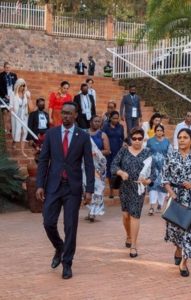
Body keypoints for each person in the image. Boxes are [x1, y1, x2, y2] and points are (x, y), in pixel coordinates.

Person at [36, 102, 95, 280]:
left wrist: (89, 190)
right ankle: (59, 247)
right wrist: (39, 184)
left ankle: (67, 263)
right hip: (53, 186)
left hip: (72, 188)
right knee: (48, 222)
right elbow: (44, 160)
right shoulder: (51, 134)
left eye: (70, 113)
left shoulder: (83, 136)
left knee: (70, 226)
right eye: (64, 113)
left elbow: (89, 164)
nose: (66, 116)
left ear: (76, 115)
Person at [162, 128, 191, 277]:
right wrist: (171, 192)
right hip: (175, 197)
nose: (182, 140)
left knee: (189, 229)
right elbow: (165, 178)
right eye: (179, 137)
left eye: (185, 137)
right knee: (175, 229)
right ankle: (178, 248)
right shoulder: (170, 156)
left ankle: (184, 263)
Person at [111, 127, 155, 258]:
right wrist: (121, 172)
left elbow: (154, 172)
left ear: (143, 139)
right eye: (134, 138)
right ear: (130, 139)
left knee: (135, 215)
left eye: (139, 139)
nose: (137, 141)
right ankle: (129, 235)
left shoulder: (148, 152)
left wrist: (148, 181)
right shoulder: (124, 151)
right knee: (126, 215)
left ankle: (134, 245)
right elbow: (113, 165)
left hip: (138, 188)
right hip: (125, 187)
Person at [85, 117, 108, 222]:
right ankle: (90, 210)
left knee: (97, 189)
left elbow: (108, 151)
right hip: (85, 165)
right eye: (95, 121)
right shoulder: (84, 134)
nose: (97, 123)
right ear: (91, 122)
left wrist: (96, 153)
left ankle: (93, 212)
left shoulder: (103, 135)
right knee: (87, 188)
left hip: (99, 166)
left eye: (99, 121)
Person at [146, 124, 172, 215]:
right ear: (155, 131)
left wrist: (169, 166)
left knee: (162, 187)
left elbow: (170, 154)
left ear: (163, 132)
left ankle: (160, 204)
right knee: (152, 186)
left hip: (163, 168)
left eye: (161, 130)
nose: (159, 132)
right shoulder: (150, 141)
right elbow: (146, 153)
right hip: (153, 168)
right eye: (157, 130)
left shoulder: (167, 142)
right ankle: (152, 207)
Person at [102, 111, 125, 198]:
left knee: (119, 171)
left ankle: (120, 190)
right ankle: (111, 191)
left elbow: (122, 138)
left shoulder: (120, 127)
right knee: (109, 172)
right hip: (109, 152)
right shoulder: (105, 127)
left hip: (118, 152)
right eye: (114, 118)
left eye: (117, 118)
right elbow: (102, 137)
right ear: (110, 118)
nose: (115, 120)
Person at [9, 78, 33, 157]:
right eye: (21, 86)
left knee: (24, 132)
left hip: (24, 115)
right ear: (18, 85)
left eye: (24, 86)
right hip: (16, 116)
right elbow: (11, 106)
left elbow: (30, 106)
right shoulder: (13, 94)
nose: (23, 87)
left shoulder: (27, 94)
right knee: (17, 132)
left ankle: (22, 151)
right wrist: (11, 110)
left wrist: (29, 97)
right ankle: (14, 143)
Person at [0, 62, 17, 133]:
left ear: (10, 68)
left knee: (11, 112)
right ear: (4, 68)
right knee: (4, 112)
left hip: (12, 96)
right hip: (4, 96)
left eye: (9, 67)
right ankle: (5, 128)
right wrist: (5, 95)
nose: (8, 69)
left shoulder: (14, 75)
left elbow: (16, 85)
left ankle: (9, 127)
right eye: (6, 67)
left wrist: (13, 95)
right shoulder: (1, 75)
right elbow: (0, 86)